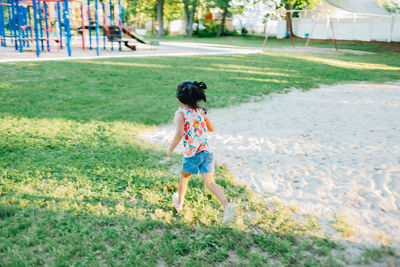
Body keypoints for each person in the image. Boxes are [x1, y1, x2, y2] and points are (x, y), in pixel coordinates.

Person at [167, 81, 235, 226]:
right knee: (210, 183)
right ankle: (227, 205)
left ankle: (179, 204)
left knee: (184, 178)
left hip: (192, 153)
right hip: (206, 151)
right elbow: (211, 128)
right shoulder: (201, 111)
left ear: (179, 99)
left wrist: (170, 149)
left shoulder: (181, 113)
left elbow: (179, 133)